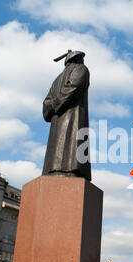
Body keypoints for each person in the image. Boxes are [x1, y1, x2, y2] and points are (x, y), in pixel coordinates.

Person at [42, 51, 91, 181]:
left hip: (57, 119)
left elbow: (47, 102)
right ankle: (71, 170)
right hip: (73, 117)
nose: (83, 61)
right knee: (71, 147)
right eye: (81, 58)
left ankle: (57, 170)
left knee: (59, 149)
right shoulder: (81, 69)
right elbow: (74, 86)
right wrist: (57, 103)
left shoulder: (57, 80)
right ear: (76, 59)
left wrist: (53, 106)